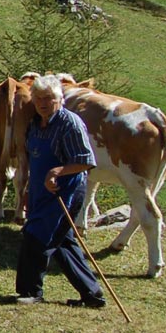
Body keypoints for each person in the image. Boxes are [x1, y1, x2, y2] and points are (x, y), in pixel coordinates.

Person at [15, 74, 107, 308]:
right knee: (63, 243)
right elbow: (35, 161)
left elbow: (85, 161)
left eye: (49, 98)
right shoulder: (35, 124)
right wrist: (28, 190)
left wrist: (57, 171)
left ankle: (31, 291)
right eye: (38, 99)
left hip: (64, 191)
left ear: (60, 99)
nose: (43, 103)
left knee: (37, 236)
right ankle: (93, 295)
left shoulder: (70, 123)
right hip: (39, 191)